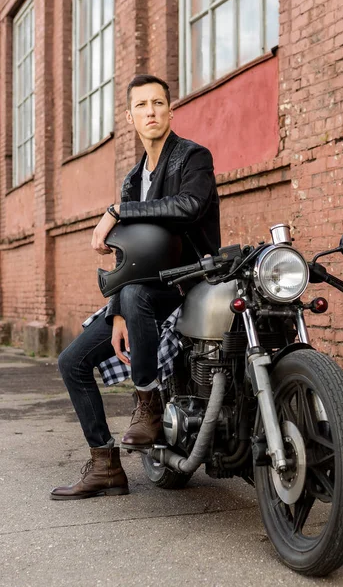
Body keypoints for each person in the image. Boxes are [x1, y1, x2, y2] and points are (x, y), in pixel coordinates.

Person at [50, 74, 221, 500]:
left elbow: (189, 207)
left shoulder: (192, 157)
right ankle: (105, 465)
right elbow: (126, 255)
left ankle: (147, 403)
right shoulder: (132, 178)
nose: (151, 111)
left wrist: (117, 210)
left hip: (188, 287)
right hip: (138, 295)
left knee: (135, 294)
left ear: (170, 109)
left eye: (158, 103)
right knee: (72, 362)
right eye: (142, 105)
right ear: (130, 117)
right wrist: (118, 313)